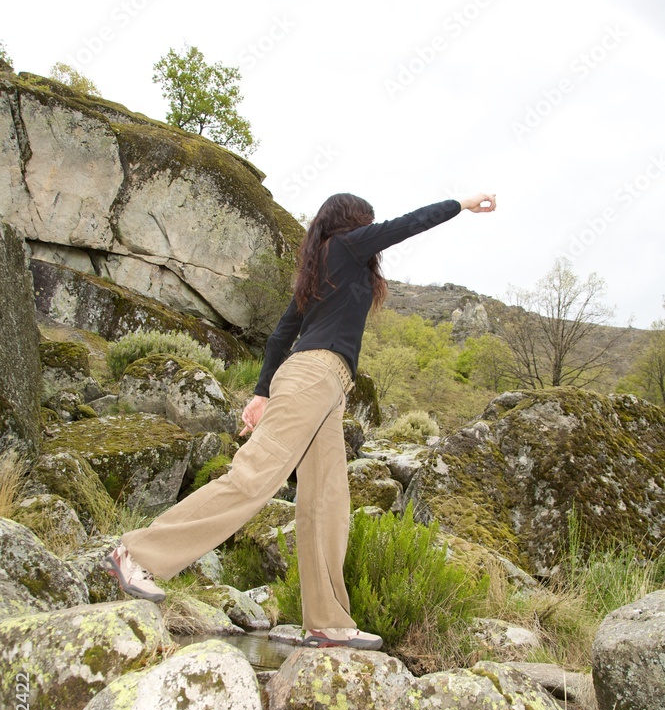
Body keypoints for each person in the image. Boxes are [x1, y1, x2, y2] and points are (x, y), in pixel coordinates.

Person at [104, 190, 496, 649]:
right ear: (349, 221)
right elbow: (408, 223)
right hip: (313, 377)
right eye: (365, 220)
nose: (371, 229)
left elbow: (280, 337)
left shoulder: (323, 270)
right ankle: (136, 554)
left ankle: (327, 620)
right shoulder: (347, 245)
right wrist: (461, 204)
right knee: (255, 478)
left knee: (327, 503)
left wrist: (260, 394)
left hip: (327, 387)